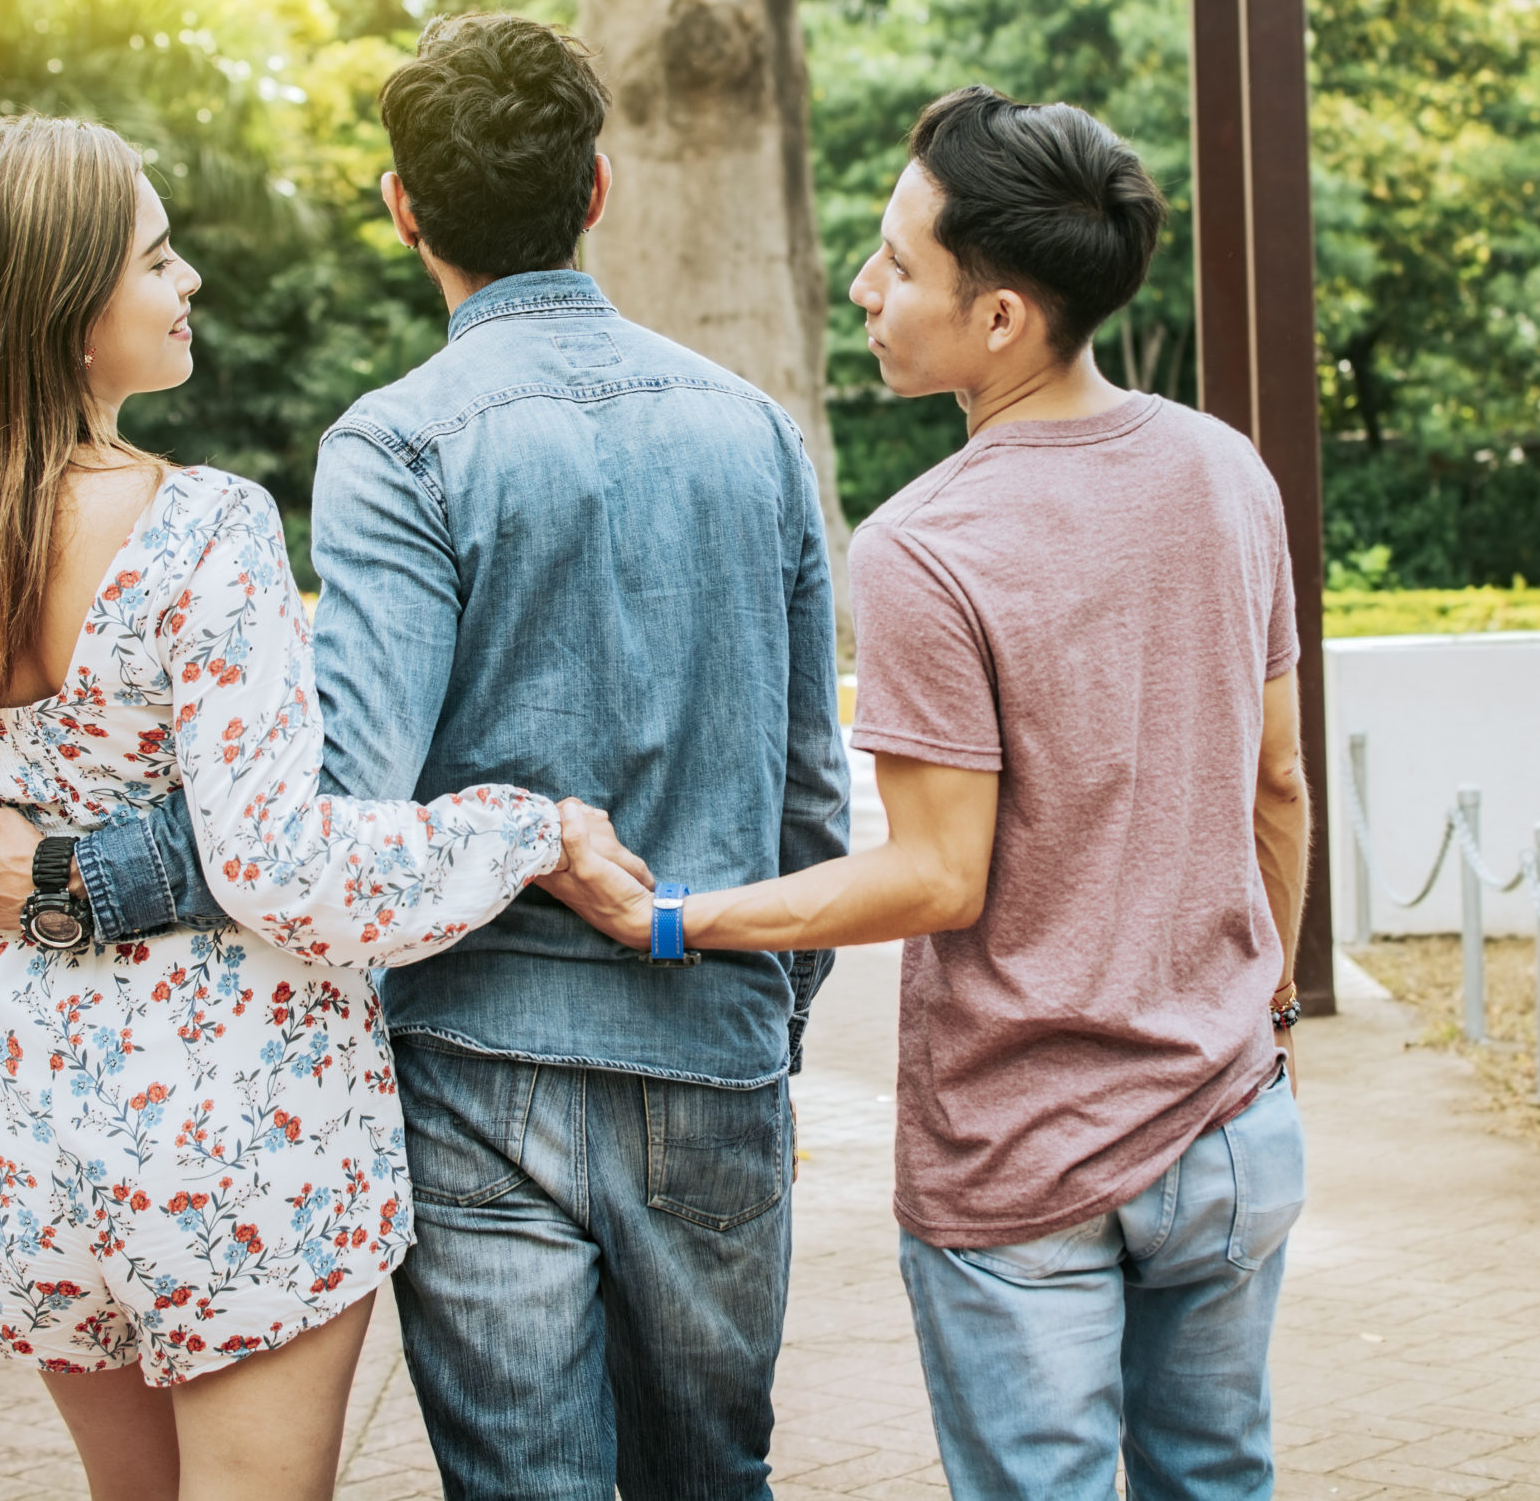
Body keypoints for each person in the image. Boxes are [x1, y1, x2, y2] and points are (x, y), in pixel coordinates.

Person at [0, 17, 852, 1501]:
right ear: (599, 189)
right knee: (715, 1480)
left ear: (402, 207)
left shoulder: (397, 444)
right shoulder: (753, 432)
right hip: (713, 1042)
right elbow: (813, 787)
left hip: (479, 1064)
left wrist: (80, 873)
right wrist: (763, 1017)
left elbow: (329, 791)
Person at [0, 113, 639, 1501]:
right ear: (63, 312)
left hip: (19, 1137)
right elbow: (283, 869)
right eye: (156, 258)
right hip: (229, 1143)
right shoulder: (198, 529)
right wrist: (529, 828)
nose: (188, 279)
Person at [560, 85, 1314, 1501]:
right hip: (1230, 1126)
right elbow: (1278, 781)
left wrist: (671, 921)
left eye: (900, 264)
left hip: (1025, 1161)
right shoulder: (1228, 472)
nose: (865, 285)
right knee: (1221, 1484)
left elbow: (935, 875)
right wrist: (1261, 1017)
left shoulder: (928, 544)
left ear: (1002, 319)